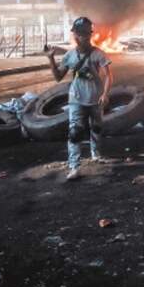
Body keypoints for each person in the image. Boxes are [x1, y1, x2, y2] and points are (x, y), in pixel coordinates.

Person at [47, 16, 113, 181]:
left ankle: (95, 153)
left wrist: (105, 94)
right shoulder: (70, 56)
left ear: (88, 35)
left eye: (82, 34)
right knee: (75, 132)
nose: (78, 37)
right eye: (76, 34)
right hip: (76, 99)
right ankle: (74, 166)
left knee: (96, 127)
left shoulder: (98, 54)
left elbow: (109, 76)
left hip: (95, 98)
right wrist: (51, 59)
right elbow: (58, 77)